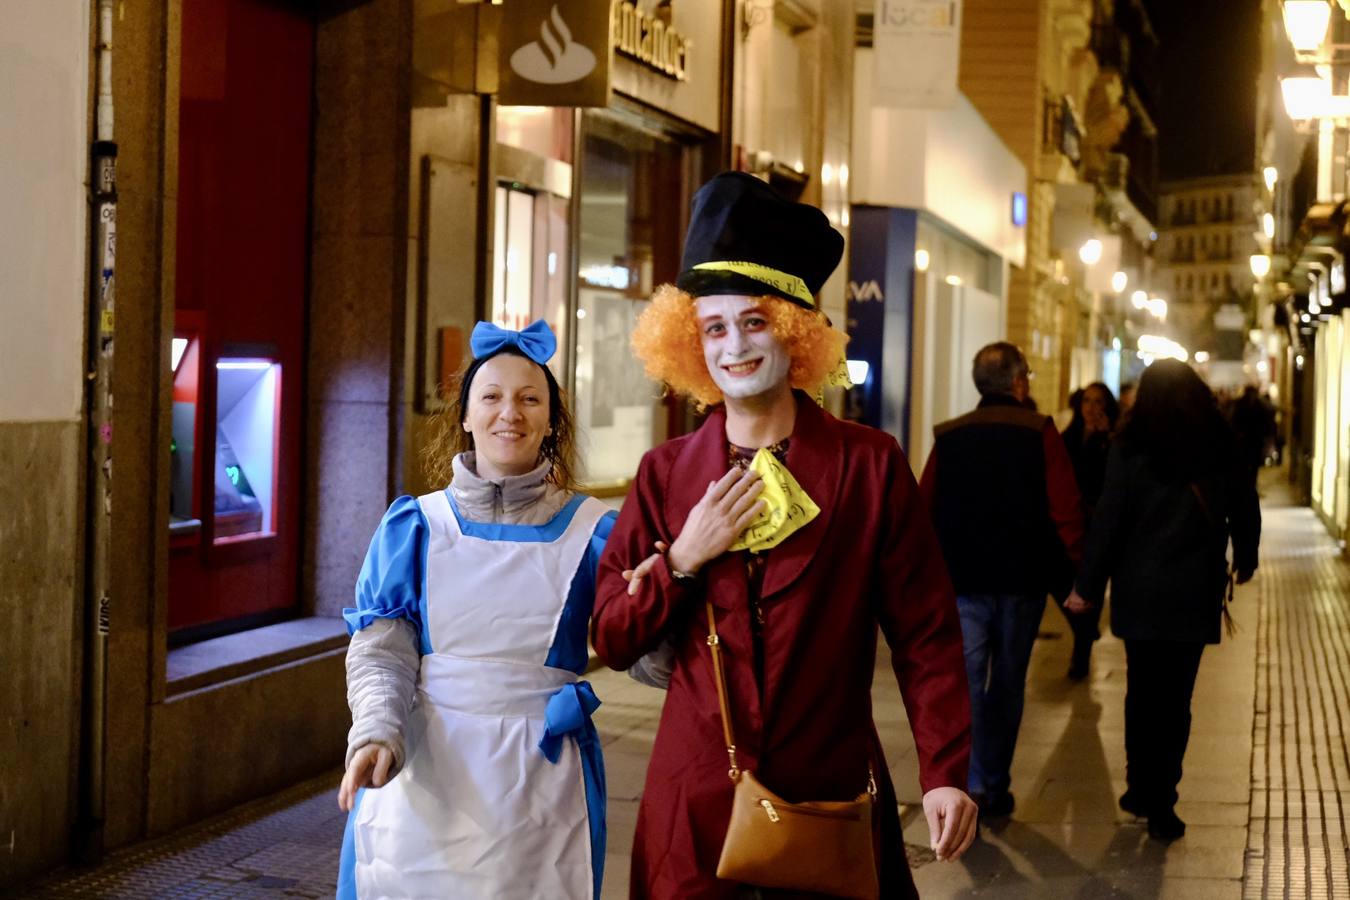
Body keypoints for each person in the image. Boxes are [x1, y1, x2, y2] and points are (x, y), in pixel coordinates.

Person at [591, 171, 977, 899]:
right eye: (712, 327)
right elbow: (611, 637)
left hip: (829, 796)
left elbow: (927, 634)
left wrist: (944, 771)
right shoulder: (664, 474)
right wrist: (681, 559)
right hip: (696, 804)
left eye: (754, 321)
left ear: (794, 331)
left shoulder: (870, 466)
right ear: (689, 344)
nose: (733, 345)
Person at [336, 320, 615, 899]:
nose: (508, 413)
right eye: (491, 397)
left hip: (543, 780)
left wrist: (682, 572)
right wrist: (377, 731)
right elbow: (381, 646)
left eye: (529, 398)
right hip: (425, 772)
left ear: (550, 420)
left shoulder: (596, 533)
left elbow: (643, 650)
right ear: (464, 415)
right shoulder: (416, 526)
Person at [1066, 359, 1260, 842]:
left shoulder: (1130, 445)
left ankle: (1139, 785)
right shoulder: (1219, 444)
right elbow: (1244, 503)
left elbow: (1109, 520)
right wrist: (1247, 556)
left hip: (1140, 588)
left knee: (1142, 691)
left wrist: (1087, 586)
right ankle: (1164, 801)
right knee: (1177, 699)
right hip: (1194, 589)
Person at [918, 342, 1084, 819]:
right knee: (1008, 683)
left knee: (966, 684)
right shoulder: (1040, 431)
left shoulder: (950, 436)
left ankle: (967, 783)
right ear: (1018, 383)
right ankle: (995, 784)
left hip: (964, 581)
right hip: (1021, 582)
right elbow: (1065, 509)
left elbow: (924, 509)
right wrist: (1076, 576)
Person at [1057, 381, 1121, 679]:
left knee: (1092, 588)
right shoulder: (1066, 437)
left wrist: (1104, 440)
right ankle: (1085, 629)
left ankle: (1079, 658)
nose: (1092, 408)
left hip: (1099, 528)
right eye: (1087, 401)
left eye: (1098, 402)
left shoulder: (1113, 441)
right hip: (1070, 525)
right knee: (1061, 584)